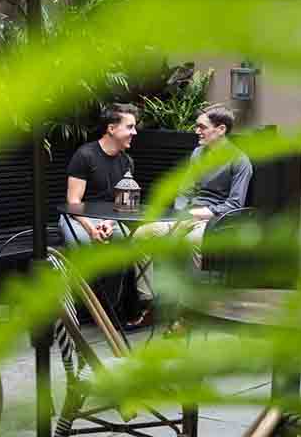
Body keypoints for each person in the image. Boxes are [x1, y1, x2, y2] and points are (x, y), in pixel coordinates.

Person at [128, 104, 253, 328]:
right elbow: (185, 191)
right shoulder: (197, 154)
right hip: (185, 215)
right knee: (142, 234)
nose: (197, 131)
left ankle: (188, 312)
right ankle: (149, 302)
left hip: (215, 222)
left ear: (221, 129)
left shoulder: (240, 161)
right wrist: (182, 213)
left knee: (191, 241)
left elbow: (235, 204)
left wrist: (199, 214)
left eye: (202, 127)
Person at [60, 102, 140, 246]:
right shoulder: (85, 155)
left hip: (109, 219)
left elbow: (123, 204)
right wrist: (91, 229)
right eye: (130, 127)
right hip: (79, 218)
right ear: (111, 128)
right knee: (85, 243)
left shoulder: (126, 162)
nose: (135, 132)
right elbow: (73, 202)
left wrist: (109, 223)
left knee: (133, 246)